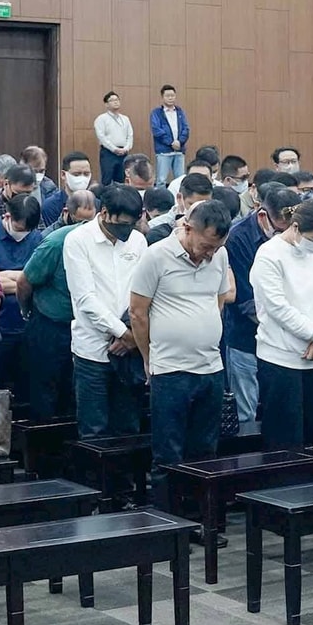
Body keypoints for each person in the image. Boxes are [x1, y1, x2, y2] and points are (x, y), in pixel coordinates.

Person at [131, 199, 232, 508]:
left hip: (210, 367)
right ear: (187, 228)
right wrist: (148, 358)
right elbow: (138, 312)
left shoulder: (219, 255)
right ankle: (168, 520)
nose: (210, 254)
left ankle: (201, 517)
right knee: (168, 453)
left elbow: (218, 301)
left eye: (216, 247)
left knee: (205, 452)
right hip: (170, 370)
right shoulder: (156, 256)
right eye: (206, 246)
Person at [250, 197, 313, 448]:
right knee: (284, 441)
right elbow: (277, 307)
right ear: (296, 227)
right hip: (280, 358)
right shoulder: (269, 254)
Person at [66, 182, 148, 445]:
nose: (126, 230)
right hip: (92, 350)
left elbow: (143, 292)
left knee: (129, 428)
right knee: (94, 431)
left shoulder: (138, 241)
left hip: (130, 350)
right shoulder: (78, 240)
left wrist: (131, 334)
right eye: (121, 224)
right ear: (104, 213)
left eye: (131, 224)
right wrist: (123, 332)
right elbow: (85, 298)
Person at [222, 185, 298, 422]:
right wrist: (292, 327)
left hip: (286, 342)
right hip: (247, 338)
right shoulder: (237, 238)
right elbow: (246, 300)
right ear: (263, 216)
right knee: (246, 414)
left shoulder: (299, 234)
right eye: (281, 230)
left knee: (281, 412)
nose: (288, 237)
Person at [19, 189, 95, 421]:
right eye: (80, 221)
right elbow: (25, 281)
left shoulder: (100, 240)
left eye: (89, 222)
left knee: (75, 392)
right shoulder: (55, 242)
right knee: (45, 389)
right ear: (67, 214)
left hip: (87, 325)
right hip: (51, 324)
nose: (84, 227)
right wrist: (27, 310)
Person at [0, 193, 44, 400]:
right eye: (20, 228)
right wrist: (25, 280)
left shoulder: (37, 239)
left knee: (27, 389)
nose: (23, 234)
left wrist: (7, 277)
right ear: (7, 216)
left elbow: (41, 281)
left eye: (27, 231)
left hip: (29, 326)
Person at [150, 84, 191, 181]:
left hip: (179, 150)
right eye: (167, 96)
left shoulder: (180, 112)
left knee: (180, 179)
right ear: (162, 97)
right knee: (161, 179)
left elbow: (186, 129)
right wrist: (171, 142)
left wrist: (180, 142)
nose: (170, 98)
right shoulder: (156, 113)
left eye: (172, 95)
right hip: (164, 151)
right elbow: (156, 130)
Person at [95, 91, 134, 185]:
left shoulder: (125, 118)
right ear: (106, 104)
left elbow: (130, 135)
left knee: (121, 179)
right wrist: (114, 149)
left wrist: (126, 148)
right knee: (107, 179)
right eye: (112, 100)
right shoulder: (101, 119)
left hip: (123, 152)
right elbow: (101, 137)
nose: (115, 102)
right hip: (108, 153)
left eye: (117, 100)